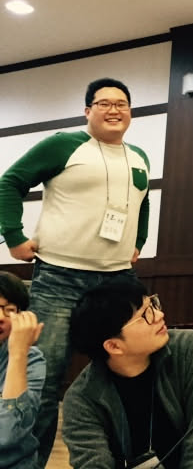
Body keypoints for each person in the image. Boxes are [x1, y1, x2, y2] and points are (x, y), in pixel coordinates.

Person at [0, 77, 149, 466]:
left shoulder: (139, 157)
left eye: (122, 104)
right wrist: (14, 236)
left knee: (132, 373)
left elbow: (143, 202)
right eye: (104, 103)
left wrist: (140, 240)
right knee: (44, 381)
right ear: (87, 111)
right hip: (59, 279)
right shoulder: (63, 145)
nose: (114, 110)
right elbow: (10, 182)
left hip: (118, 281)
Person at [62, 278, 193, 469]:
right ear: (114, 346)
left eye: (152, 304)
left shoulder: (189, 349)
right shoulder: (82, 399)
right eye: (145, 315)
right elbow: (93, 463)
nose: (159, 315)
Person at [0, 272, 46, 469]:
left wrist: (18, 353)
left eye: (9, 310)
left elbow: (6, 435)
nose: (0, 317)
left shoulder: (32, 359)